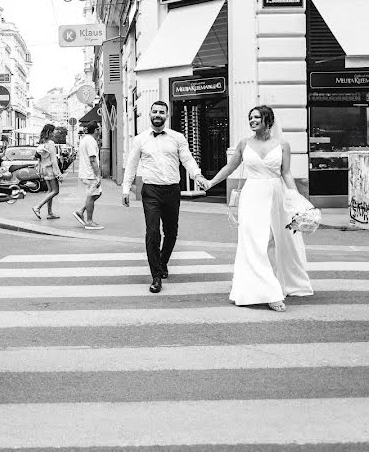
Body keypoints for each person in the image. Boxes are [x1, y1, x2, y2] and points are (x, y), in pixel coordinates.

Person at [205, 105, 313, 312]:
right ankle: (269, 292)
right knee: (254, 242)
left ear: (268, 120)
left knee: (274, 240)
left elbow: (287, 173)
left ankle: (275, 282)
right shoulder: (244, 144)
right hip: (252, 195)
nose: (252, 120)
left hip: (276, 195)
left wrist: (296, 199)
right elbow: (230, 167)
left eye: (257, 117)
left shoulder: (282, 144)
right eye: (250, 117)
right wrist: (211, 183)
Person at [122, 101, 209, 294]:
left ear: (166, 115)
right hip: (151, 191)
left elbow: (187, 159)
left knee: (171, 232)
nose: (157, 114)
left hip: (172, 190)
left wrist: (197, 175)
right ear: (150, 114)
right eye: (154, 111)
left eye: (161, 112)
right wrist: (126, 189)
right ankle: (155, 276)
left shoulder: (177, 137)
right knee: (153, 233)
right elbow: (131, 164)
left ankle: (162, 262)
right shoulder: (140, 139)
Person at [73, 122, 104, 230]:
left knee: (97, 193)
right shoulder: (91, 141)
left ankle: (80, 211)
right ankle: (89, 222)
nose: (101, 130)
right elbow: (92, 159)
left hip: (86, 172)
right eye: (99, 128)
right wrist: (98, 175)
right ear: (96, 130)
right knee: (91, 196)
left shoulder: (85, 139)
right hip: (90, 174)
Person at [32, 124, 63, 220]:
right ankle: (38, 207)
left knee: (50, 191)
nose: (54, 133)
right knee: (55, 191)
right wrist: (59, 174)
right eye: (53, 131)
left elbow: (40, 159)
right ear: (49, 132)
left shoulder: (42, 143)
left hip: (44, 170)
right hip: (50, 170)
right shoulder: (51, 144)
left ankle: (50, 213)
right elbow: (54, 160)